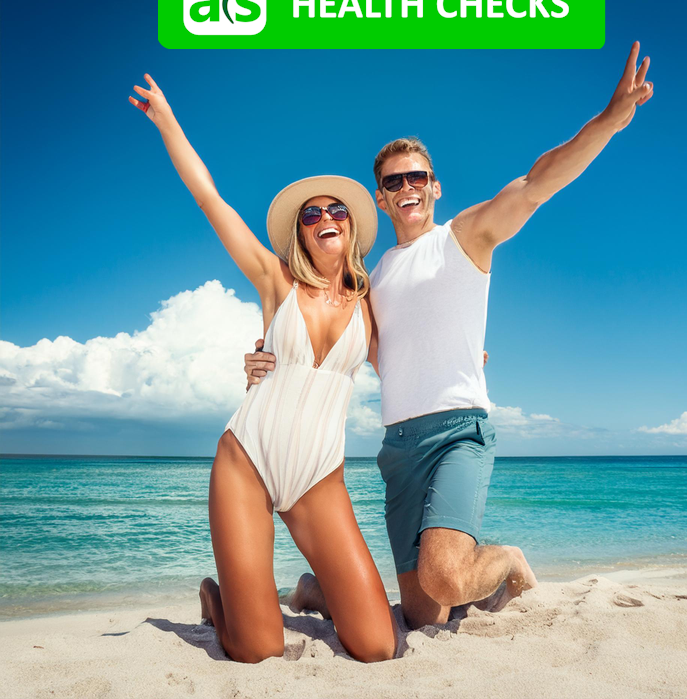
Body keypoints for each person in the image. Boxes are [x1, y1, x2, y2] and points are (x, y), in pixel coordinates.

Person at [245, 40, 654, 629]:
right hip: (398, 450)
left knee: (446, 577)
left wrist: (609, 122)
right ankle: (318, 591)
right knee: (421, 617)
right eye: (393, 181)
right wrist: (265, 359)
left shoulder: (466, 237)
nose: (407, 186)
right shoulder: (372, 278)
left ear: (435, 186)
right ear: (381, 199)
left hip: (460, 429)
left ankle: (508, 559)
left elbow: (538, 183)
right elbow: (334, 342)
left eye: (418, 176)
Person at [128, 75, 398, 663]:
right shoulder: (276, 280)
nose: (324, 215)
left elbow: (410, 353)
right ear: (300, 230)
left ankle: (313, 591)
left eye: (336, 210)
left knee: (377, 647)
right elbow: (211, 201)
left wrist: (462, 353)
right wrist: (169, 122)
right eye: (311, 213)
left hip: (318, 475)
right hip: (247, 458)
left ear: (351, 226)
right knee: (257, 652)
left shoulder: (373, 302)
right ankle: (216, 598)